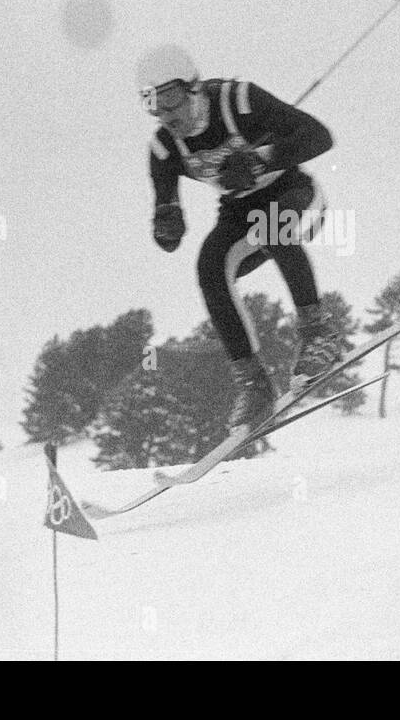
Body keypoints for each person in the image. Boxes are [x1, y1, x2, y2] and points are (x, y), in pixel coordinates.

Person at [138, 43, 343, 437]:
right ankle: (253, 383)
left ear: (193, 88)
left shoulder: (239, 100)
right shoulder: (164, 149)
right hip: (239, 212)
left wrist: (259, 159)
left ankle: (319, 332)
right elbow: (166, 208)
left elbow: (319, 137)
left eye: (172, 99)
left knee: (274, 225)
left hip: (296, 194)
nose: (167, 115)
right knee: (209, 266)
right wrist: (168, 224)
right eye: (154, 106)